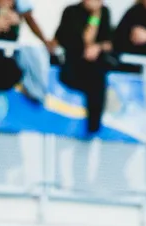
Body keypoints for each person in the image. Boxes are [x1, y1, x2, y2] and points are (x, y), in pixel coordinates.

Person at [56, 0, 116, 135]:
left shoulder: (105, 12)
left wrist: (98, 47)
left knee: (97, 77)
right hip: (73, 68)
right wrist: (95, 16)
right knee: (94, 78)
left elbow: (110, 42)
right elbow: (86, 42)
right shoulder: (71, 12)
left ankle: (94, 127)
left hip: (94, 70)